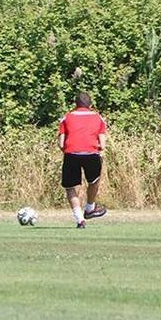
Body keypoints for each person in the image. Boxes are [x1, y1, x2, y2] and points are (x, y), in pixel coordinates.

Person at [57, 91, 108, 228]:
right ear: (90, 104)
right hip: (91, 154)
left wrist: (70, 151)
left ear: (76, 104)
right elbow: (102, 145)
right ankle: (90, 208)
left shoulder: (67, 117)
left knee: (70, 186)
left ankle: (80, 220)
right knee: (94, 180)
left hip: (71, 153)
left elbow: (61, 143)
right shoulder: (98, 118)